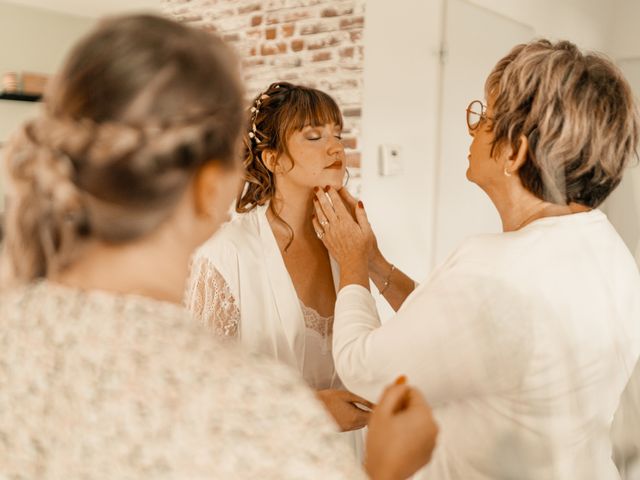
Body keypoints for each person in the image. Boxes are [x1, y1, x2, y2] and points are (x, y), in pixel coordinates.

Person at [0, 14, 438, 479]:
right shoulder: (238, 397)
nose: (334, 147)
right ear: (209, 186)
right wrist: (389, 468)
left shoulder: (14, 331)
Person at [312, 39, 640, 479]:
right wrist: (376, 263)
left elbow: (362, 369)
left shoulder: (494, 269)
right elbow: (457, 334)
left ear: (515, 152)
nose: (473, 130)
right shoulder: (610, 250)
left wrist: (350, 263)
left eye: (484, 118)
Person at [186, 82, 372, 437]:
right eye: (313, 136)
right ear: (272, 159)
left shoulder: (344, 246)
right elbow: (195, 389)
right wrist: (310, 410)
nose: (336, 147)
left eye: (337, 133)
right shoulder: (227, 253)